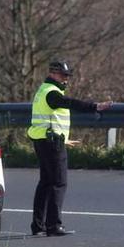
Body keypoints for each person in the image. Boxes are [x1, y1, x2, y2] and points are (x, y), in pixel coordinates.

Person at [27, 61, 113, 236]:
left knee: (46, 183)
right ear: (53, 73)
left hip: (43, 140)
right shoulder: (51, 93)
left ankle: (38, 226)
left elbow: (51, 119)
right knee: (58, 183)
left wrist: (64, 138)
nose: (67, 79)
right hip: (51, 142)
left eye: (68, 76)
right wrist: (94, 106)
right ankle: (53, 226)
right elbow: (70, 103)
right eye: (64, 75)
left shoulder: (43, 90)